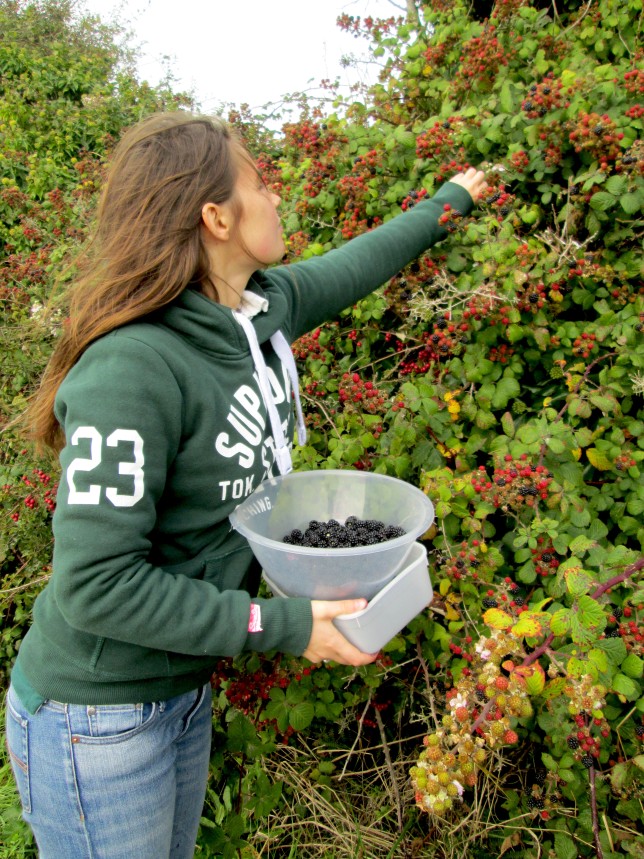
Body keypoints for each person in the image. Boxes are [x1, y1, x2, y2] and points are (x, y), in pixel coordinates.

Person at [4, 111, 487, 858]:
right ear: (216, 215)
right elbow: (95, 585)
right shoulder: (133, 368)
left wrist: (450, 200)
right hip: (93, 716)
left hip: (181, 693)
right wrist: (287, 626)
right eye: (260, 180)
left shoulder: (255, 314)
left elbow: (360, 263)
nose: (276, 194)